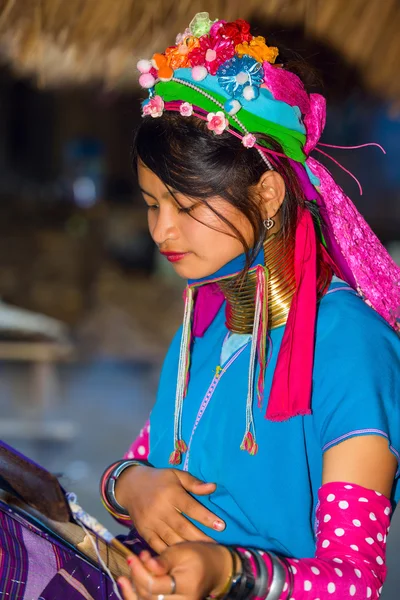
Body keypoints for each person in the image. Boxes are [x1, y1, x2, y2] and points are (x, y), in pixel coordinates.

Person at [99, 12, 400, 600]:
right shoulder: (206, 325)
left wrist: (231, 574)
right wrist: (130, 488)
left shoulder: (351, 346)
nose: (161, 230)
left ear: (266, 193)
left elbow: (355, 579)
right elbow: (139, 466)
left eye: (185, 206)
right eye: (151, 203)